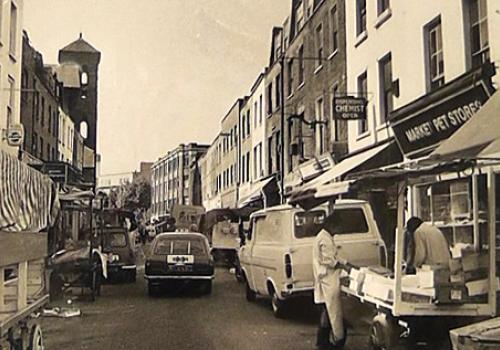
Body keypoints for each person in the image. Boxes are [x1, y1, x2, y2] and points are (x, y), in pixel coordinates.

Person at [312, 214, 346, 350]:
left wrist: (344, 262)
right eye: (337, 226)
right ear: (332, 225)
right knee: (332, 311)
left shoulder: (324, 236)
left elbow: (333, 257)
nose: (338, 230)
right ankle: (334, 340)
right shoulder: (324, 239)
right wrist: (342, 265)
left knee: (327, 311)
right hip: (328, 279)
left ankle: (323, 341)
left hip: (325, 278)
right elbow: (329, 260)